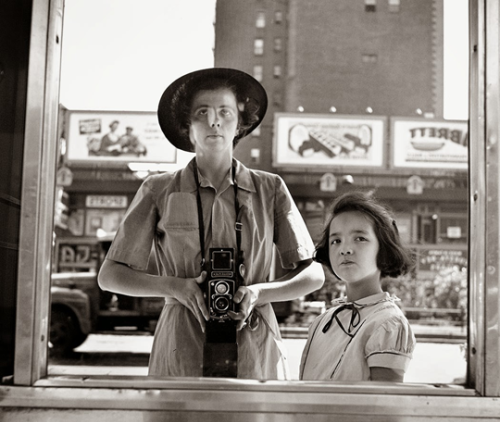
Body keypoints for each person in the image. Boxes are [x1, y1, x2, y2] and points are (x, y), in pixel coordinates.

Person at [98, 67, 324, 379]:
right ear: (187, 126)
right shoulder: (158, 189)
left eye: (225, 112)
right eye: (202, 112)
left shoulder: (269, 188)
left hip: (254, 344)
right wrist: (175, 287)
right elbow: (110, 276)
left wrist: (260, 293)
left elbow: (313, 274)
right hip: (181, 344)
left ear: (239, 124)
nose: (214, 121)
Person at [299, 191, 416, 382]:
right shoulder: (323, 321)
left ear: (383, 249)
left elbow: (383, 405)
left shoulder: (387, 324)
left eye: (360, 238)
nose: (345, 249)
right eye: (336, 241)